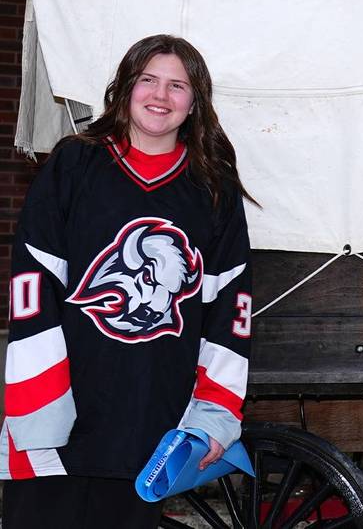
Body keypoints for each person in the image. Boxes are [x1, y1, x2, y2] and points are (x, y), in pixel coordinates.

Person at [1, 35, 255, 528]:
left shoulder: (214, 187)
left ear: (194, 102)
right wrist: (42, 404)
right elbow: (33, 281)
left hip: (152, 415)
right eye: (148, 80)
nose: (160, 95)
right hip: (61, 412)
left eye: (177, 85)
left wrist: (215, 412)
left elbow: (230, 310)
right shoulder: (75, 164)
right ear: (124, 88)